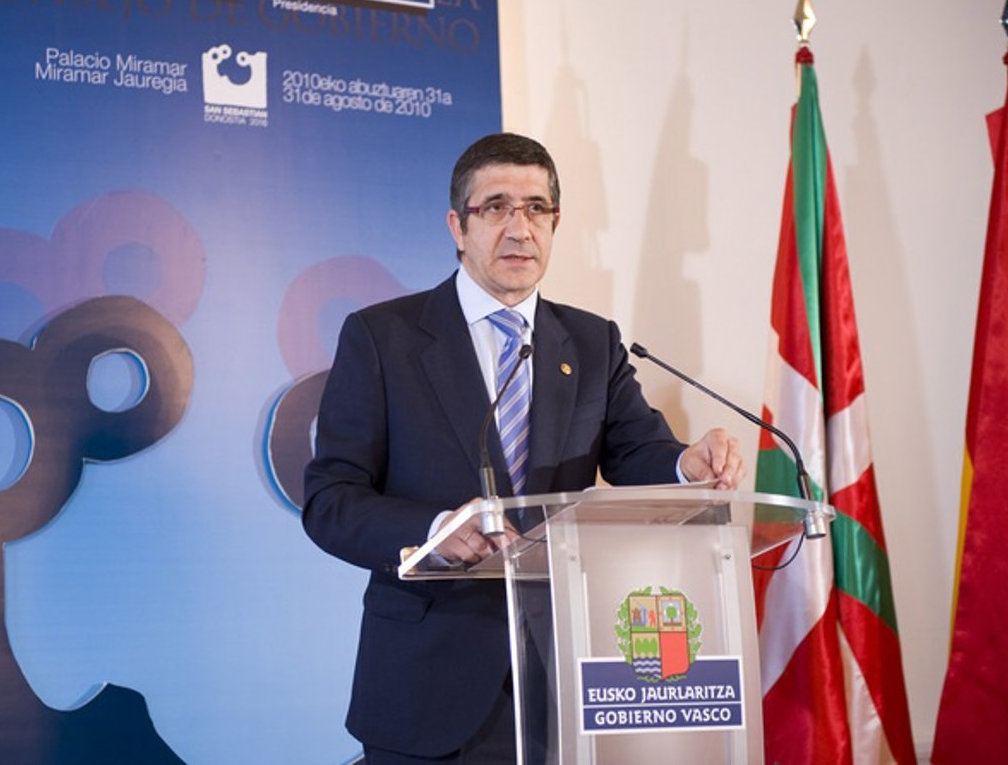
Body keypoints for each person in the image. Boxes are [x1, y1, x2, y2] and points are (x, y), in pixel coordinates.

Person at [302, 132, 744, 764]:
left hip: (565, 681)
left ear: (555, 223)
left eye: (537, 208)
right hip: (428, 688)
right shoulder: (382, 337)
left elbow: (636, 451)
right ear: (457, 227)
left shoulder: (591, 342)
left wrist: (684, 464)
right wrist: (432, 531)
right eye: (496, 207)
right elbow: (332, 501)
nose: (520, 228)